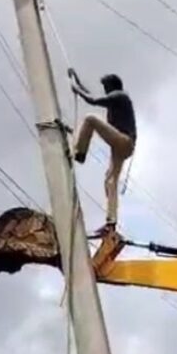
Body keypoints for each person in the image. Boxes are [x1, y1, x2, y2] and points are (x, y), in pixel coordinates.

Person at [68, 68, 137, 236]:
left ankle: (79, 153)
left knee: (90, 119)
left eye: (106, 88)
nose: (105, 91)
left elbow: (92, 100)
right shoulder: (115, 100)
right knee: (110, 182)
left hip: (124, 141)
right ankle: (111, 223)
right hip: (121, 146)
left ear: (112, 87)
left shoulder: (120, 96)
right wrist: (76, 80)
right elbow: (91, 95)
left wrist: (75, 88)